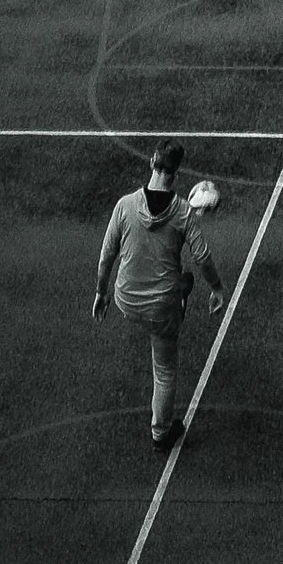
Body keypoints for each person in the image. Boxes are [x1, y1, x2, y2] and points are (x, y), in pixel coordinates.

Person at [92, 140, 225, 453]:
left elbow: (107, 253)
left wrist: (101, 291)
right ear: (176, 175)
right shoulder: (182, 213)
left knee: (179, 282)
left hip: (126, 298)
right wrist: (217, 289)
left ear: (152, 163)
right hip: (161, 307)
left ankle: (179, 290)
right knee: (164, 370)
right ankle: (161, 432)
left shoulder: (125, 205)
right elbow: (203, 257)